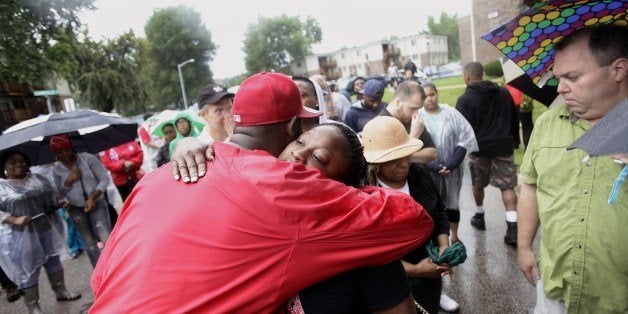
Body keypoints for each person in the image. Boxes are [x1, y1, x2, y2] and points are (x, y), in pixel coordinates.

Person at [90, 72, 434, 313]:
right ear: (292, 127)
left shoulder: (156, 180)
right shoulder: (283, 190)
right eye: (301, 140)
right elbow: (413, 220)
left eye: (320, 157)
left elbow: (101, 279)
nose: (300, 156)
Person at [518, 25, 628, 313]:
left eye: (572, 77)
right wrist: (524, 246)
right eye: (558, 78)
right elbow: (530, 185)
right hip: (555, 288)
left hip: (617, 297)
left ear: (618, 70)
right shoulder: (546, 124)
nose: (561, 87)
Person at [0, 150, 81, 313]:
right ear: (4, 167)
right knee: (28, 269)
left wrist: (60, 201)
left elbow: (53, 195)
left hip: (46, 227)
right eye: (13, 162)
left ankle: (61, 291)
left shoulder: (38, 179)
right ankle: (33, 306)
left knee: (53, 260)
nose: (18, 164)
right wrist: (15, 219)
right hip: (20, 235)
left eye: (21, 161)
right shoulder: (2, 187)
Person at [456, 61, 519, 246]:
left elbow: (462, 129)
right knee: (508, 187)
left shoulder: (465, 100)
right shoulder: (503, 92)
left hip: (479, 149)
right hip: (504, 145)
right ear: (482, 74)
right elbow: (514, 117)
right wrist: (514, 141)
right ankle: (512, 229)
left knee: (478, 184)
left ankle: (480, 215)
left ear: (467, 77)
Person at [50, 134, 112, 268]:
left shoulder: (87, 159)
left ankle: (113, 267)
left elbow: (104, 179)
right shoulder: (56, 169)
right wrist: (68, 181)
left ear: (72, 148)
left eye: (67, 150)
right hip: (76, 208)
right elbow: (57, 192)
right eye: (60, 152)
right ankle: (99, 271)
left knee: (105, 237)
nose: (65, 154)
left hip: (97, 203)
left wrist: (92, 198)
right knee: (89, 242)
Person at [380, 80, 437, 164]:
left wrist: (407, 157)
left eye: (418, 109)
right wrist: (414, 136)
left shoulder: (413, 121)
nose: (416, 114)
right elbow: (392, 163)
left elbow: (433, 153)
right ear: (398, 102)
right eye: (413, 108)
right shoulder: (379, 125)